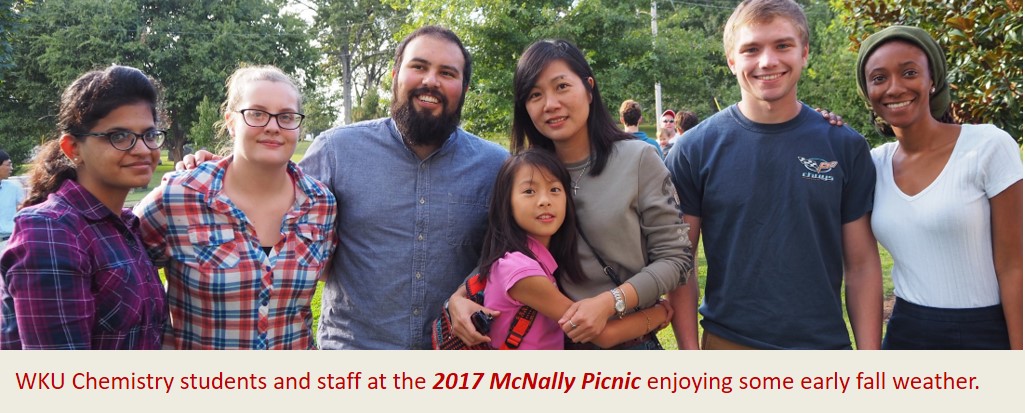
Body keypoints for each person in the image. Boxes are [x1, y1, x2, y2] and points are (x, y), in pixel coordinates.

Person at [180, 27, 508, 350]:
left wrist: (468, 290)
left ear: (464, 87)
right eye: (419, 67)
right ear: (395, 75)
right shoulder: (336, 150)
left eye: (447, 73)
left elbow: (514, 251)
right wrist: (220, 171)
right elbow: (272, 206)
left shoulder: (495, 166)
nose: (430, 81)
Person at [664, 0, 882, 350]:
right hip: (728, 346)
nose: (768, 61)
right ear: (732, 61)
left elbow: (862, 265)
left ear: (804, 53)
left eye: (783, 45)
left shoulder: (844, 146)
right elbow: (680, 264)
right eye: (751, 49)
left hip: (822, 349)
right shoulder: (694, 149)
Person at [450, 39, 693, 350]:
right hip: (550, 345)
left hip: (628, 342)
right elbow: (507, 249)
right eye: (535, 95)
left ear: (589, 89)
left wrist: (609, 303)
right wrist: (457, 299)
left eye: (561, 86)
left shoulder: (639, 159)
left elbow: (676, 259)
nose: (550, 104)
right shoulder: (527, 173)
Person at [135, 65, 337, 350]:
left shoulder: (321, 204)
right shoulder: (179, 197)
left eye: (286, 116)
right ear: (231, 122)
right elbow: (121, 273)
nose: (272, 126)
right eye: (256, 113)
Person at [856, 25, 1023, 349]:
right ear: (867, 91)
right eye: (879, 78)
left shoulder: (988, 146)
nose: (894, 87)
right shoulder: (871, 165)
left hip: (986, 334)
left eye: (909, 72)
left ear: (932, 80)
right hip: (906, 334)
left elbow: (1015, 267)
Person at [0, 65, 167, 349]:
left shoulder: (125, 225)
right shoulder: (51, 231)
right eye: (119, 136)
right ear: (72, 148)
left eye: (149, 135)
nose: (142, 149)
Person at [479, 148, 673, 349]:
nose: (544, 200)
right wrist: (658, 313)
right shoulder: (520, 270)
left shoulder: (538, 259)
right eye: (529, 191)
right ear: (507, 202)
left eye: (554, 189)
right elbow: (601, 335)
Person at [0, 150, 24, 251]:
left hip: (8, 242)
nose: (11, 168)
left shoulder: (14, 188)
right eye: (8, 165)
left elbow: (27, 208)